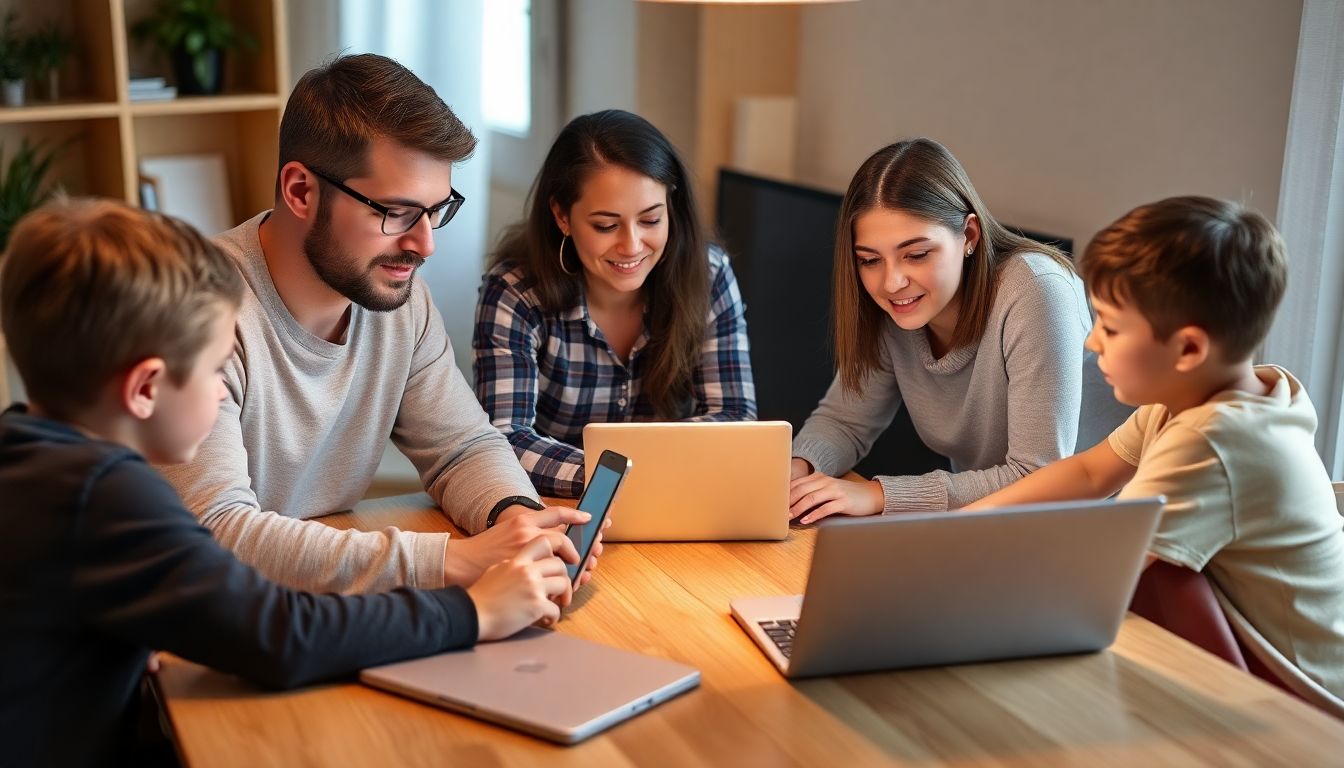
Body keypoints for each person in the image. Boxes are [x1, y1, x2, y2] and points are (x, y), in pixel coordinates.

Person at [0, 199, 575, 767]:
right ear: (146, 388)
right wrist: (473, 611)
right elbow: (281, 634)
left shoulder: (30, 456)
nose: (224, 392)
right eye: (214, 370)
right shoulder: (108, 496)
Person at [159, 53, 598, 594]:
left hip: (311, 607)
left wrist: (515, 520)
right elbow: (218, 532)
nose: (424, 244)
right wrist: (448, 562)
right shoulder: (193, 311)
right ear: (300, 191)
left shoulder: (397, 299)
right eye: (395, 212)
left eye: (437, 210)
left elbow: (461, 447)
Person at [966, 196, 1344, 715]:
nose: (1092, 342)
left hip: (1303, 697)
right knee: (1143, 551)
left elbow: (1106, 566)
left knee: (1151, 565)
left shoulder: (1213, 439)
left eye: (1111, 327)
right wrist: (965, 525)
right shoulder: (1220, 396)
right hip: (1300, 663)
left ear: (1189, 349)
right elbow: (1089, 471)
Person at [788, 137, 1126, 522]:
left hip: (1098, 527)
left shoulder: (1036, 289)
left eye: (916, 255)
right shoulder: (895, 308)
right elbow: (844, 421)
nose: (892, 282)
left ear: (969, 236)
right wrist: (796, 471)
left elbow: (1039, 476)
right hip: (989, 525)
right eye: (869, 260)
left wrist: (880, 494)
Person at [474, 110, 756, 497]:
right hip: (560, 510)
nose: (632, 245)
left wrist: (641, 477)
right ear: (562, 216)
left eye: (651, 220)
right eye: (606, 225)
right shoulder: (515, 294)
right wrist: (620, 477)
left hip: (671, 502)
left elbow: (736, 418)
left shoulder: (708, 274)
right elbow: (503, 439)